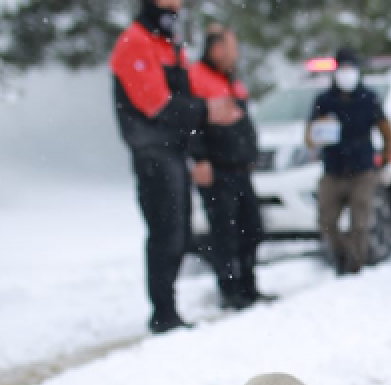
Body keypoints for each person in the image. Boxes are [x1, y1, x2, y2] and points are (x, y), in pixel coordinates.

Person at [109, 0, 243, 333]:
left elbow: (183, 102)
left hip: (174, 151)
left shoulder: (169, 43)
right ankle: (163, 313)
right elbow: (156, 103)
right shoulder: (135, 42)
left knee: (181, 233)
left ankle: (170, 310)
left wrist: (196, 150)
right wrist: (206, 110)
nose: (177, 5)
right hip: (152, 152)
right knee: (166, 234)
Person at [187, 24, 276, 309]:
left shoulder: (231, 79)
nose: (236, 54)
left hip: (240, 168)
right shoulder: (197, 78)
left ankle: (248, 286)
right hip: (217, 169)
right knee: (224, 233)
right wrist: (200, 158)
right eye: (232, 48)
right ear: (216, 49)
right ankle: (230, 290)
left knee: (251, 228)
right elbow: (191, 125)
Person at [305, 49, 391, 275]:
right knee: (326, 220)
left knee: (361, 222)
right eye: (342, 69)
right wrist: (318, 131)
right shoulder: (324, 101)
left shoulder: (368, 97)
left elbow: (386, 130)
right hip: (333, 169)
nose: (346, 74)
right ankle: (340, 256)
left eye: (350, 69)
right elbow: (309, 137)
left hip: (362, 170)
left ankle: (355, 264)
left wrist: (386, 158)